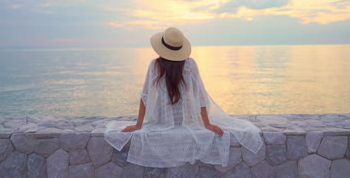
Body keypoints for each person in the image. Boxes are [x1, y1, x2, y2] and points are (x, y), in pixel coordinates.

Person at [104, 27, 263, 168]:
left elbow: (144, 96)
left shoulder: (155, 65)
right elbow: (200, 94)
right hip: (187, 118)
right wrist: (206, 123)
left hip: (162, 118)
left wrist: (139, 124)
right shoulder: (190, 64)